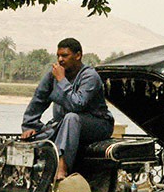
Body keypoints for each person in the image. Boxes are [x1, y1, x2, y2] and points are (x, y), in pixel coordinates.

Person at [21, 38, 114, 181]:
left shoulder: (90, 76)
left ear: (78, 56)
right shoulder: (53, 75)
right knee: (34, 139)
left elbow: (77, 105)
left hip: (98, 125)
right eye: (58, 56)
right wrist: (29, 125)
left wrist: (61, 80)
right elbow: (38, 100)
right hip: (64, 124)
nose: (60, 60)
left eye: (64, 56)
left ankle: (61, 168)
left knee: (71, 117)